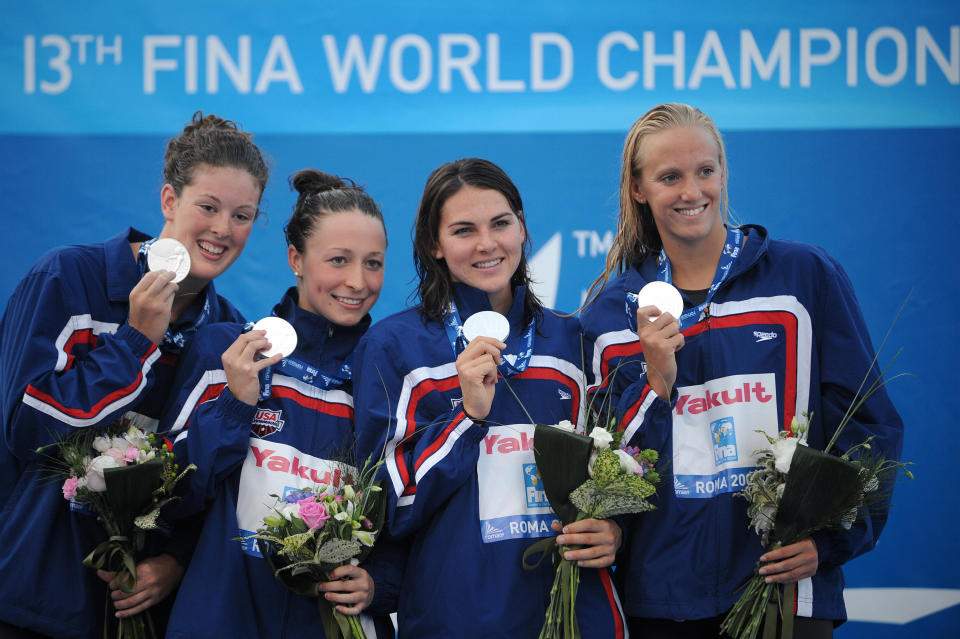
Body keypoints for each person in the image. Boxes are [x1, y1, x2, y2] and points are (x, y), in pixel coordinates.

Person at [579, 103, 904, 638]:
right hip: (664, 600)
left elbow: (868, 423)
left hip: (784, 589)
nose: (692, 191)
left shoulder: (804, 277)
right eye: (670, 177)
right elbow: (605, 464)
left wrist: (829, 543)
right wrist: (654, 381)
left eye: (705, 171)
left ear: (723, 172)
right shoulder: (610, 316)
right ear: (638, 189)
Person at [0, 112, 269, 638]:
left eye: (243, 215)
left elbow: (211, 488)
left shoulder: (228, 336)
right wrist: (135, 343)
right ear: (170, 201)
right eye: (208, 207)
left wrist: (175, 562)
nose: (222, 230)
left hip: (136, 615)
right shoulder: (69, 277)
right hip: (28, 600)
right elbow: (27, 430)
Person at [352, 158, 627, 638]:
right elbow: (385, 510)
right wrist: (468, 417)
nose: (487, 243)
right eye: (463, 230)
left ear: (521, 228)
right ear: (435, 245)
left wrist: (615, 532)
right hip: (459, 620)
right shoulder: (396, 348)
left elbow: (621, 473)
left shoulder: (574, 339)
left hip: (574, 616)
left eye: (500, 223)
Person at [158, 170, 395, 638]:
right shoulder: (228, 351)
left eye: (373, 263)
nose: (357, 281)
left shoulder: (389, 378)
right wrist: (234, 406)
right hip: (223, 617)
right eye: (338, 260)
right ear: (296, 258)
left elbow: (410, 516)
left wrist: (381, 584)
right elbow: (170, 497)